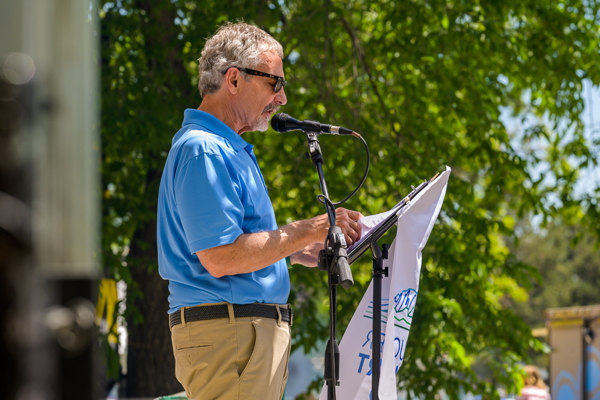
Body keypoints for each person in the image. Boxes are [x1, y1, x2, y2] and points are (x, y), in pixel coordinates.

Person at [156, 22, 363, 400]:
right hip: (231, 335)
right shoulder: (203, 149)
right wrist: (303, 230)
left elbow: (236, 247)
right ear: (233, 79)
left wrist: (297, 251)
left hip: (240, 335)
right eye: (275, 83)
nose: (282, 98)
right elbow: (220, 258)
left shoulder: (226, 148)